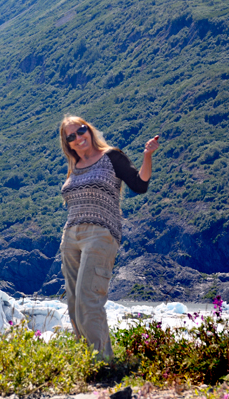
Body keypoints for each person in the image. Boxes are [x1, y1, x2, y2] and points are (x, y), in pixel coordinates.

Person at [59, 115, 159, 360]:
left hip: (101, 233)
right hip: (71, 236)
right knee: (73, 304)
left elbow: (140, 184)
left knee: (88, 300)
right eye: (70, 136)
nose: (78, 138)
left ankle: (104, 364)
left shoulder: (111, 157)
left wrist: (147, 155)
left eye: (80, 131)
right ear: (68, 144)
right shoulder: (74, 167)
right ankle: (87, 361)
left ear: (89, 130)